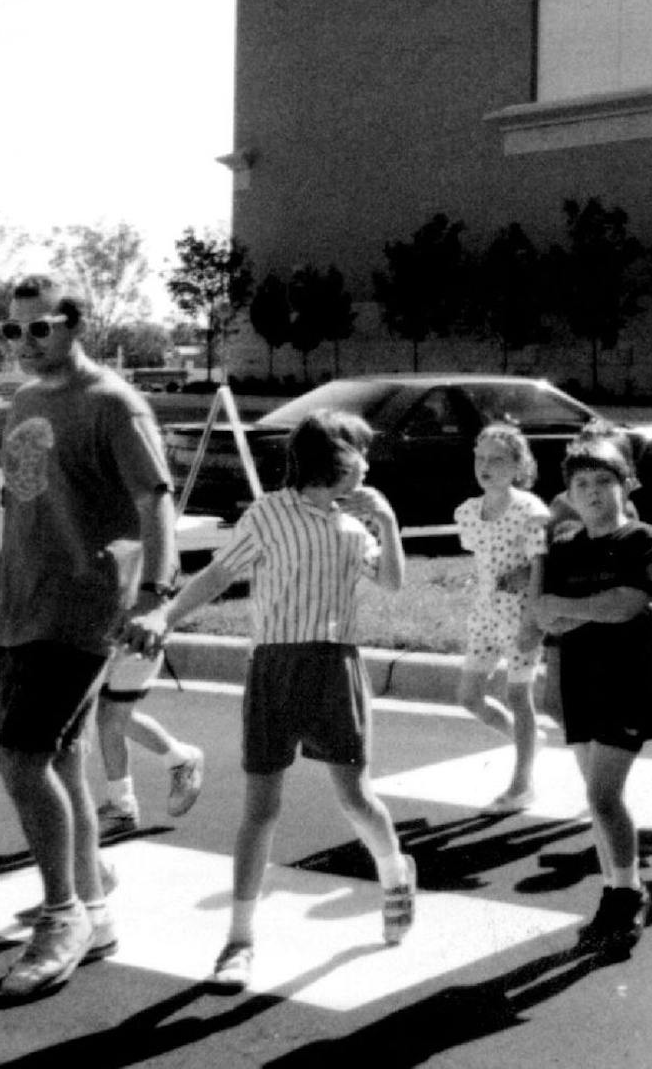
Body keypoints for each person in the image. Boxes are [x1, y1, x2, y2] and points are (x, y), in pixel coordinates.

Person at [126, 410, 415, 995]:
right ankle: (238, 939)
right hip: (275, 669)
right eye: (359, 453)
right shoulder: (267, 515)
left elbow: (390, 582)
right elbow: (213, 576)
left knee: (356, 797)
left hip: (335, 664)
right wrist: (165, 615)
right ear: (332, 458)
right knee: (261, 808)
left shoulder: (354, 521)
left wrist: (388, 525)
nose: (367, 464)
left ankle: (395, 878)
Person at [0, 274, 177, 1001]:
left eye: (39, 328)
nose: (24, 342)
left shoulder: (113, 403)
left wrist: (154, 598)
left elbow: (155, 503)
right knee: (62, 760)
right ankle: (93, 905)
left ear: (75, 326)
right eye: (12, 330)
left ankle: (62, 918)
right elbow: (21, 505)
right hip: (24, 602)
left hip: (82, 608)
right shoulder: (25, 401)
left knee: (20, 760)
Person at [532, 435, 652, 955]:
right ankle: (616, 889)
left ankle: (627, 893)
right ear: (567, 493)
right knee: (597, 800)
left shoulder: (640, 538)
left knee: (602, 796)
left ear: (626, 484)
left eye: (603, 481)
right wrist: (546, 551)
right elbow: (541, 612)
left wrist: (574, 606)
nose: (592, 492)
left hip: (626, 683)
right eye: (581, 484)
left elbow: (626, 604)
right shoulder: (564, 546)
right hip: (580, 682)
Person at [453, 422, 551, 815]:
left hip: (521, 616)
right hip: (485, 615)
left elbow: (542, 567)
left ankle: (522, 783)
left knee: (517, 694)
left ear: (517, 466)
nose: (486, 466)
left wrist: (532, 618)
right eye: (480, 458)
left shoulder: (529, 511)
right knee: (469, 696)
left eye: (497, 460)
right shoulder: (468, 513)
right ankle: (527, 740)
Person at [91, 648, 206, 836]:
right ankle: (180, 758)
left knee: (112, 717)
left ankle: (122, 805)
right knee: (103, 712)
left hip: (134, 645)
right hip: (106, 641)